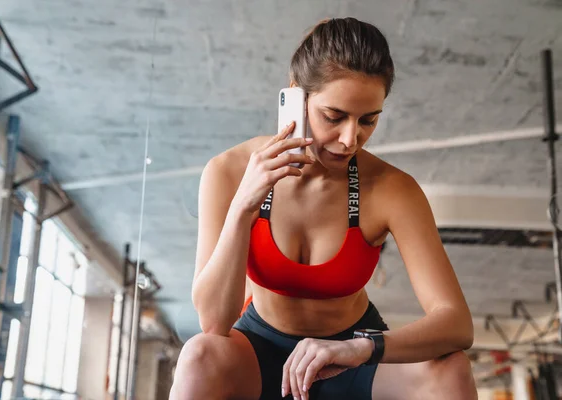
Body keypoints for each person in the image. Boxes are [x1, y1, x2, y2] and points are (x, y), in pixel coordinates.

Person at [170, 17, 477, 400]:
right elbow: (214, 323)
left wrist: (363, 347)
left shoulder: (393, 189)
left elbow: (457, 324)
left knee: (451, 370)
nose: (350, 139)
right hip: (259, 355)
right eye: (334, 117)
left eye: (368, 121)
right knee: (199, 355)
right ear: (296, 96)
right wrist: (244, 206)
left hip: (351, 358)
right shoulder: (228, 171)